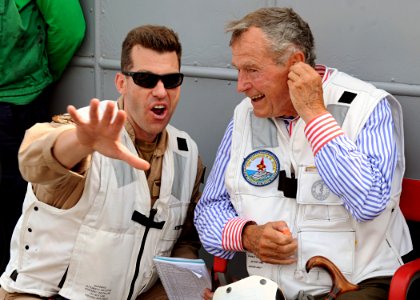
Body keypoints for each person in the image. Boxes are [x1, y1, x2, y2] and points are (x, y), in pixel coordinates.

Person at [194, 7, 412, 300]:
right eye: (238, 70)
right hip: (269, 289)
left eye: (252, 70)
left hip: (355, 284)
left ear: (295, 63)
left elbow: (370, 203)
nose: (241, 85)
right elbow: (209, 210)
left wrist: (314, 114)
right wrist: (248, 235)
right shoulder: (244, 117)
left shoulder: (366, 107)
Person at [0, 25, 205, 300]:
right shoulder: (86, 131)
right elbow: (34, 160)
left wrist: (189, 289)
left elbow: (183, 241)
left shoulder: (187, 155)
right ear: (121, 83)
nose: (160, 91)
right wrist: (81, 142)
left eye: (171, 80)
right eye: (145, 78)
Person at [0, 0, 86, 273]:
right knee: (18, 217)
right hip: (17, 103)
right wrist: (39, 76)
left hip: (14, 106)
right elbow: (69, 29)